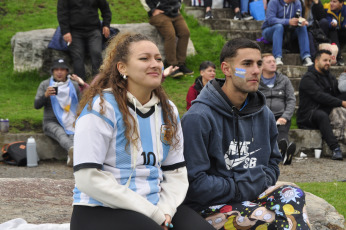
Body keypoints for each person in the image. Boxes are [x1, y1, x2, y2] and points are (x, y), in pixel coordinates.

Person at [70, 32, 214, 230]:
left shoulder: (168, 110)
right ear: (122, 67)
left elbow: (176, 173)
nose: (155, 64)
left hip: (157, 207)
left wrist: (166, 210)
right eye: (144, 58)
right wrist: (153, 214)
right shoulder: (101, 108)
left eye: (158, 58)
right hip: (100, 209)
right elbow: (87, 178)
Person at [182, 38, 311, 230]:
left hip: (253, 195)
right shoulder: (198, 117)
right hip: (209, 206)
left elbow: (273, 163)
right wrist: (244, 187)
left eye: (258, 63)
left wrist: (255, 186)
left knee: (294, 194)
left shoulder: (264, 114)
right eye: (247, 64)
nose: (256, 70)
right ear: (227, 69)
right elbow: (195, 183)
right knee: (271, 221)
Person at [297, 49, 345, 160]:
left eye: (329, 60)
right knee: (321, 115)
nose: (328, 63)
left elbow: (336, 95)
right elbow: (320, 96)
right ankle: (335, 148)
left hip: (326, 109)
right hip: (309, 114)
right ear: (316, 61)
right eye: (325, 60)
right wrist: (341, 103)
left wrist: (342, 100)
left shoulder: (330, 77)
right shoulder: (307, 79)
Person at [34, 58, 81, 166]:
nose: (59, 72)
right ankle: (74, 151)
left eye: (62, 70)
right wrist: (45, 96)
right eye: (56, 70)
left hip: (70, 119)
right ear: (52, 72)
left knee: (75, 134)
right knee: (61, 133)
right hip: (51, 121)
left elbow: (82, 103)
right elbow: (36, 105)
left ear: (67, 72)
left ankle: (72, 156)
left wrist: (82, 84)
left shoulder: (73, 85)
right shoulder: (45, 85)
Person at [57, 0, 112, 80]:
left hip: (93, 30)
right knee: (77, 57)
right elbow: (62, 13)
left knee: (96, 53)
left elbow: (105, 9)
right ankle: (80, 85)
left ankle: (98, 82)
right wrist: (65, 31)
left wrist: (106, 25)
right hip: (74, 32)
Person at [259, 53, 296, 165]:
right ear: (262, 66)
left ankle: (283, 149)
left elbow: (291, 99)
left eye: (274, 61)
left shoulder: (284, 80)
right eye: (269, 62)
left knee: (282, 132)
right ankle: (282, 153)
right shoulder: (256, 80)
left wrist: (285, 116)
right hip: (262, 115)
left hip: (280, 115)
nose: (273, 63)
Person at [142, 0, 194, 77]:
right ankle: (172, 65)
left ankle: (181, 64)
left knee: (185, 33)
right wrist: (152, 10)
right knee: (170, 35)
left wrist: (178, 6)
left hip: (175, 13)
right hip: (159, 14)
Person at [262, 0, 314, 66]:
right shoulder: (274, 1)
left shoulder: (297, 2)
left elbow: (298, 18)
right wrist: (288, 21)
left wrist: (302, 22)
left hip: (288, 32)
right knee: (279, 27)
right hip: (270, 30)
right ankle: (277, 57)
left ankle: (306, 57)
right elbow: (270, 20)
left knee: (302, 27)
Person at [324, 0, 346, 66]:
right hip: (331, 34)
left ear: (341, 3)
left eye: (334, 2)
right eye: (331, 1)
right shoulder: (326, 8)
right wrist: (331, 24)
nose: (331, 3)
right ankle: (339, 57)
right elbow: (327, 21)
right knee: (333, 31)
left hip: (343, 32)